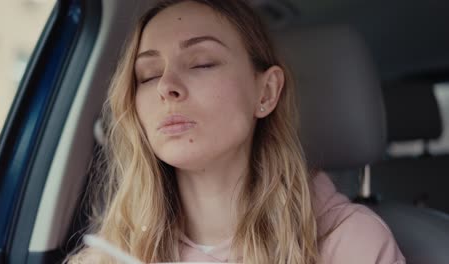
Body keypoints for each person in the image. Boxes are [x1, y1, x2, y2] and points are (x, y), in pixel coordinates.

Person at [66, 0, 406, 263]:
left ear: (266, 92)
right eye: (148, 75)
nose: (166, 87)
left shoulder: (350, 244)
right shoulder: (111, 254)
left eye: (202, 63)